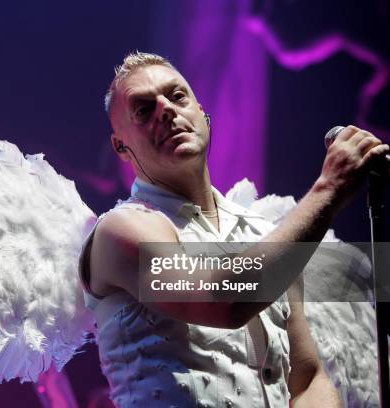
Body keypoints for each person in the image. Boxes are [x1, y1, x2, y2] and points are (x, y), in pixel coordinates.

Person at [79, 51, 388, 407]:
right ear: (121, 146)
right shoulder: (120, 231)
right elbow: (223, 299)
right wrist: (328, 189)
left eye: (178, 96)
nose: (166, 109)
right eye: (144, 109)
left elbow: (306, 378)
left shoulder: (266, 235)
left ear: (203, 115)